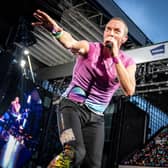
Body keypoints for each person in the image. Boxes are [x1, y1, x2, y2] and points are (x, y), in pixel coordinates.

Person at [32, 9, 136, 168]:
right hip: (70, 108)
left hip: (96, 119)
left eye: (116, 31)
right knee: (73, 152)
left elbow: (129, 90)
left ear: (124, 38)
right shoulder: (91, 48)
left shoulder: (127, 62)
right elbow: (71, 43)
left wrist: (115, 56)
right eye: (108, 29)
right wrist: (54, 29)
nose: (111, 33)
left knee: (93, 164)